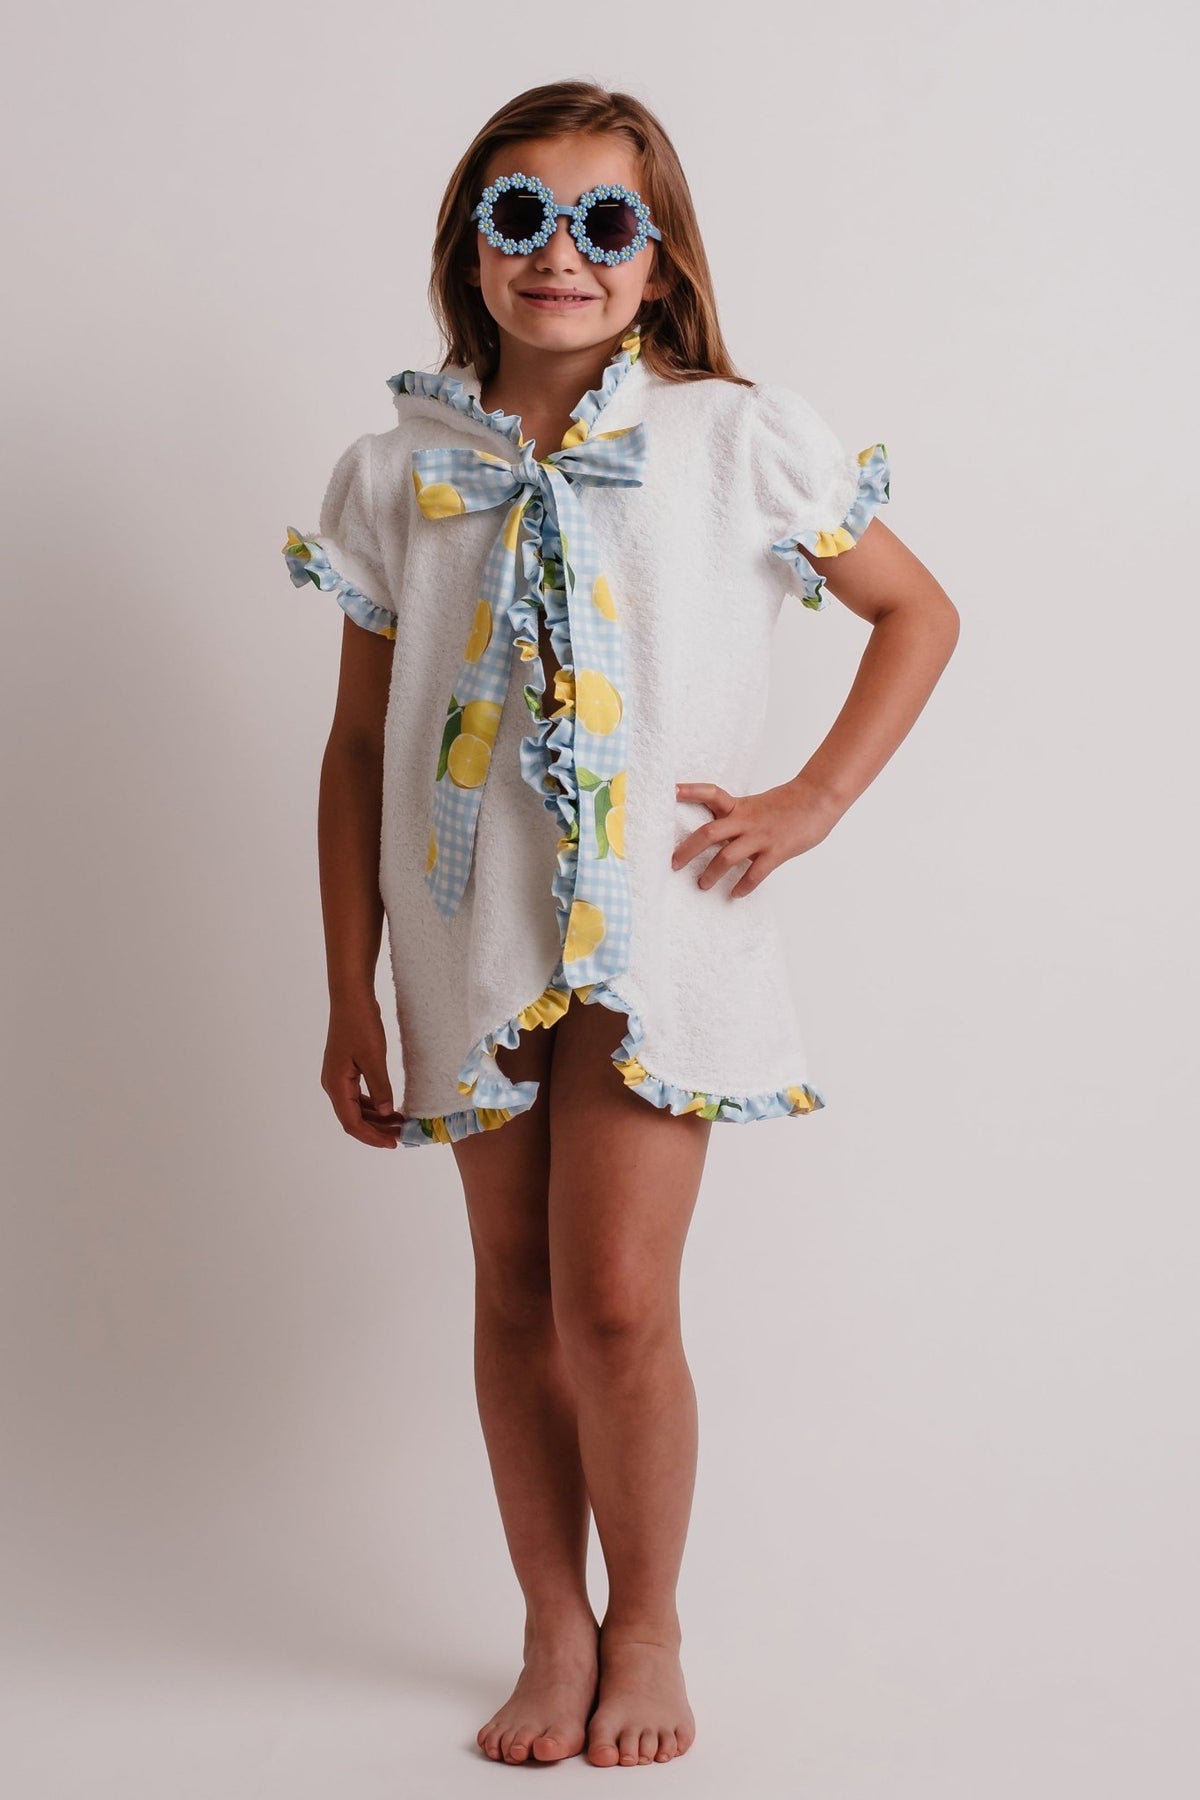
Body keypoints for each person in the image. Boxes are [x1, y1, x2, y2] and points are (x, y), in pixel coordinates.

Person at [281, 79, 958, 1771]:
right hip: (466, 935)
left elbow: (916, 612)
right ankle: (553, 1621)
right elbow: (360, 746)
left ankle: (646, 1621)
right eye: (521, 215)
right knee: (513, 1289)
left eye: (605, 221)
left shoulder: (735, 439)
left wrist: (811, 799)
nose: (561, 254)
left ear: (659, 260)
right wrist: (350, 985)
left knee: (615, 1299)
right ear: (472, 247)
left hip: (664, 930)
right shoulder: (396, 471)